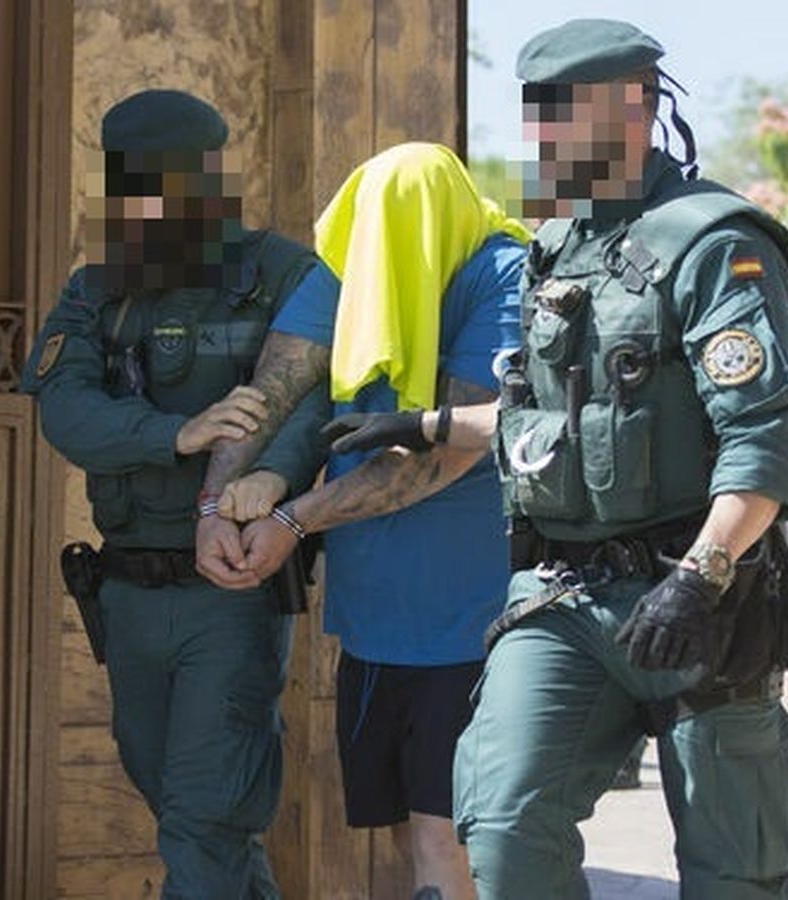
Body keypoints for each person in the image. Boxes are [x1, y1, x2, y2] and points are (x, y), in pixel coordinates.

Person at [337, 19, 788, 898]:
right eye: (538, 116)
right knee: (506, 828)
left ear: (635, 108)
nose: (544, 138)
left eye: (564, 115)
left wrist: (699, 577)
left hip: (702, 599)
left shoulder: (715, 243)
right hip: (564, 596)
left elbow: (765, 449)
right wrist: (432, 423)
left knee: (732, 871)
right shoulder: (557, 248)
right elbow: (547, 425)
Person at [193, 142, 528, 900]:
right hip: (375, 618)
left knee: (457, 834)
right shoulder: (354, 261)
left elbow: (439, 457)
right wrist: (214, 502)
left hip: (472, 620)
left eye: (400, 233)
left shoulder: (503, 273)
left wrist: (292, 519)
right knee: (415, 833)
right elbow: (275, 385)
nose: (383, 252)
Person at [21, 89, 331, 898]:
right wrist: (176, 434)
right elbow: (64, 407)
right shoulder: (98, 291)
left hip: (228, 593)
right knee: (190, 818)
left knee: (205, 816)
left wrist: (264, 482)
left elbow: (308, 408)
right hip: (127, 592)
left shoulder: (282, 274)